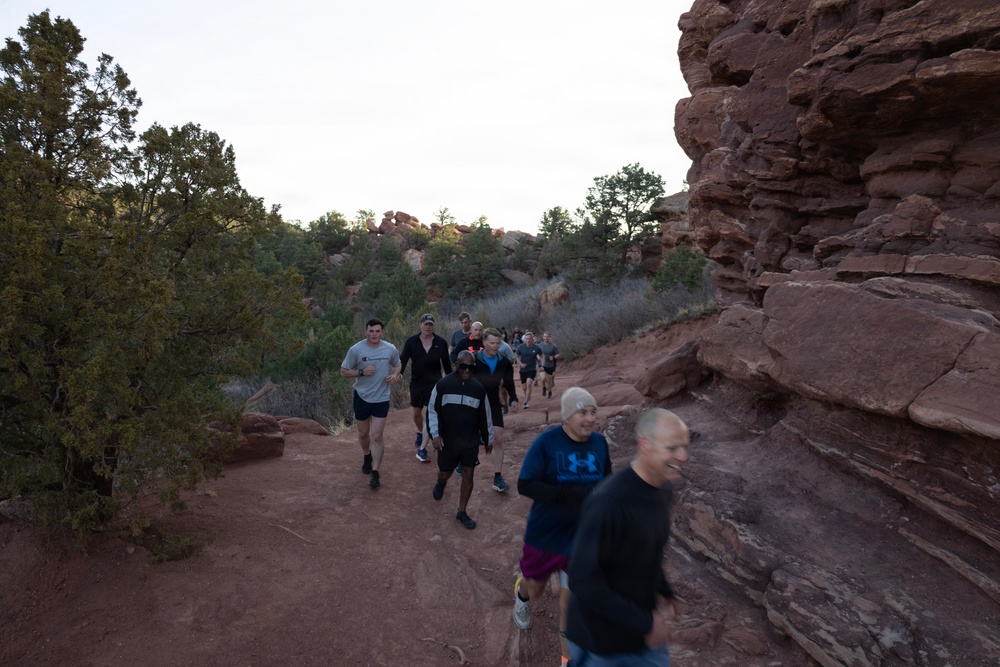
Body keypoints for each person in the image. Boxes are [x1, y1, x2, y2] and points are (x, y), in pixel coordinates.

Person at [565, 408, 690, 666]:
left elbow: (645, 551)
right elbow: (582, 580)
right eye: (672, 448)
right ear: (644, 444)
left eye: (684, 447)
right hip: (600, 644)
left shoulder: (663, 490)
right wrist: (646, 621)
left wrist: (665, 590)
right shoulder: (608, 502)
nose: (683, 456)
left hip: (642, 638)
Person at [513, 387, 612, 664]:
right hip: (545, 534)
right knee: (537, 590)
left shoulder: (599, 444)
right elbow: (525, 484)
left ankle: (567, 661)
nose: (590, 419)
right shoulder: (547, 442)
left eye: (593, 412)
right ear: (567, 417)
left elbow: (607, 481)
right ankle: (522, 593)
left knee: (570, 607)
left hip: (581, 538)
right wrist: (566, 495)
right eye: (583, 412)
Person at [427, 350, 493, 530]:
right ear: (456, 365)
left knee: (468, 473)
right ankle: (441, 481)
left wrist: (488, 439)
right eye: (463, 366)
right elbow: (432, 410)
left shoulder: (478, 389)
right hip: (448, 440)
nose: (467, 370)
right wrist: (435, 435)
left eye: (471, 367)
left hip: (469, 441)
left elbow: (485, 415)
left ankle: (462, 512)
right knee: (445, 472)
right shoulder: (443, 385)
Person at [339, 318, 402, 488]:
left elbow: (398, 364)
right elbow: (343, 372)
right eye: (371, 331)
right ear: (365, 332)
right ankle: (367, 454)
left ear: (382, 332)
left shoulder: (390, 349)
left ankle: (375, 472)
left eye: (377, 331)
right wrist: (361, 372)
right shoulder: (356, 350)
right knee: (363, 434)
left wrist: (396, 375)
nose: (374, 334)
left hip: (381, 398)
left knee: (377, 436)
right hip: (362, 396)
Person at [398, 313, 452, 463]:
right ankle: (420, 432)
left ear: (433, 326)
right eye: (426, 324)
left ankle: (422, 449)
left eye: (430, 324)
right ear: (420, 325)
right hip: (417, 383)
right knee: (416, 413)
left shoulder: (440, 342)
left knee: (430, 414)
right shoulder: (411, 342)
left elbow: (447, 364)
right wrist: (398, 374)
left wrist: (451, 380)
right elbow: (403, 360)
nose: (428, 327)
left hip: (435, 384)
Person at [473, 328, 519, 493]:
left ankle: (497, 477)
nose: (495, 346)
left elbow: (508, 382)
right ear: (484, 342)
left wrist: (513, 398)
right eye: (492, 343)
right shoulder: (475, 359)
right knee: (467, 437)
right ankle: (460, 462)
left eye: (498, 343)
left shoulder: (504, 362)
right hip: (474, 403)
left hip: (492, 402)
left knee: (498, 438)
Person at [515, 331, 543, 408]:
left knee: (529, 383)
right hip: (523, 369)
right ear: (524, 339)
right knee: (524, 387)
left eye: (530, 339)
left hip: (532, 368)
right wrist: (520, 364)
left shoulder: (536, 348)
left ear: (532, 339)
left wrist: (540, 360)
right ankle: (527, 395)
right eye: (527, 339)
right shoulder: (521, 347)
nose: (528, 340)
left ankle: (526, 402)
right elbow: (516, 356)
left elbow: (541, 355)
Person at [537, 332, 561, 400]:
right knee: (543, 378)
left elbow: (558, 355)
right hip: (542, 364)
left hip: (550, 365)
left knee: (549, 380)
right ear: (543, 337)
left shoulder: (553, 346)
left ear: (549, 337)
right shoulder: (540, 345)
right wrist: (538, 356)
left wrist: (553, 357)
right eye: (545, 336)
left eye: (547, 336)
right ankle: (544, 388)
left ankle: (550, 392)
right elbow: (536, 353)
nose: (546, 337)